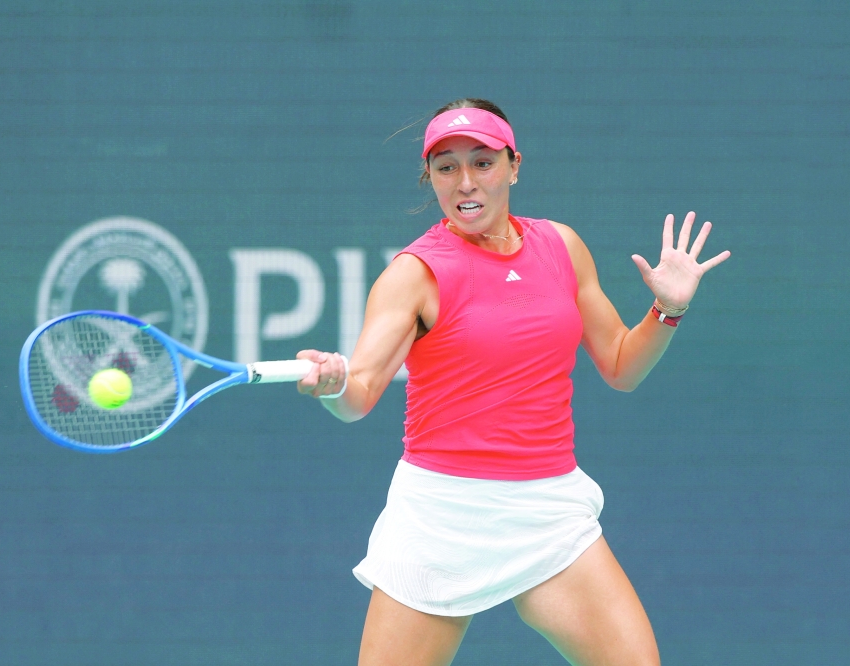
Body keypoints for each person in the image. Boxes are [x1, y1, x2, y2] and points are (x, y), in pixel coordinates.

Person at [296, 99, 730, 666]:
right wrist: (332, 384)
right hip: (440, 516)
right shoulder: (413, 274)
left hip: (547, 510)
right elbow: (359, 395)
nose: (465, 181)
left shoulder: (561, 247)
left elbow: (622, 367)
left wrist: (666, 311)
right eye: (446, 166)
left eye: (482, 162)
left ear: (514, 165)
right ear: (430, 177)